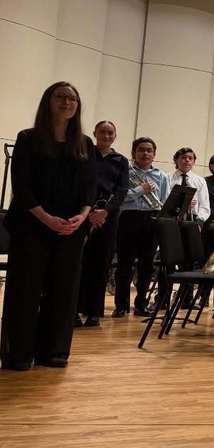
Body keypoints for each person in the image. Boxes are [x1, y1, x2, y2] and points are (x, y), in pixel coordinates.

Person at [1, 82, 96, 371]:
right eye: (60, 97)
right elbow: (23, 186)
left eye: (72, 99)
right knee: (25, 289)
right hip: (32, 225)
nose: (67, 102)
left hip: (70, 226)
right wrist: (45, 218)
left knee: (63, 291)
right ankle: (18, 354)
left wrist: (82, 216)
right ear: (48, 101)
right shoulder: (28, 138)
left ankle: (54, 351)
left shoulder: (85, 143)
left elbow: (90, 188)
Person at [76, 120, 129, 327]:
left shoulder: (121, 160)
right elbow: (81, 185)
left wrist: (105, 212)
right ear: (95, 134)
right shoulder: (85, 156)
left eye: (110, 133)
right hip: (84, 215)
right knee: (80, 265)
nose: (106, 136)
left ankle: (94, 312)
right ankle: (75, 310)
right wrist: (88, 211)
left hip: (108, 217)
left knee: (101, 265)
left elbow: (122, 190)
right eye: (102, 132)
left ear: (115, 136)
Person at [114, 136, 169, 316]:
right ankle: (121, 306)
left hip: (152, 219)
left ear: (154, 155)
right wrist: (140, 190)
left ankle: (141, 305)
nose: (145, 153)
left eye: (149, 151)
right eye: (141, 150)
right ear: (134, 153)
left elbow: (164, 201)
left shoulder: (161, 176)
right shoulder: (126, 172)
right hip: (129, 218)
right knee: (125, 263)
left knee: (147, 265)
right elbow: (120, 197)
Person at [168, 147, 210, 222]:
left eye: (190, 158)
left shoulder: (200, 180)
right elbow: (165, 200)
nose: (187, 160)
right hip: (170, 217)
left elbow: (204, 204)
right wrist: (184, 204)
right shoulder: (167, 177)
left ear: (194, 162)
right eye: (183, 158)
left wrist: (200, 221)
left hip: (193, 219)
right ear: (176, 160)